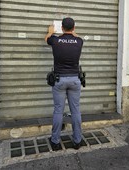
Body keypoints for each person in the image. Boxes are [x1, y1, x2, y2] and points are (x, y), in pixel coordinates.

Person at [45, 17, 84, 151]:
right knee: (75, 110)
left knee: (58, 110)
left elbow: (47, 39)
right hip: (74, 80)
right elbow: (76, 36)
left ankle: (55, 141)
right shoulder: (79, 41)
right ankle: (77, 141)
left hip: (59, 80)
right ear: (74, 28)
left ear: (61, 28)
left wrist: (50, 31)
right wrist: (73, 33)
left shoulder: (55, 41)